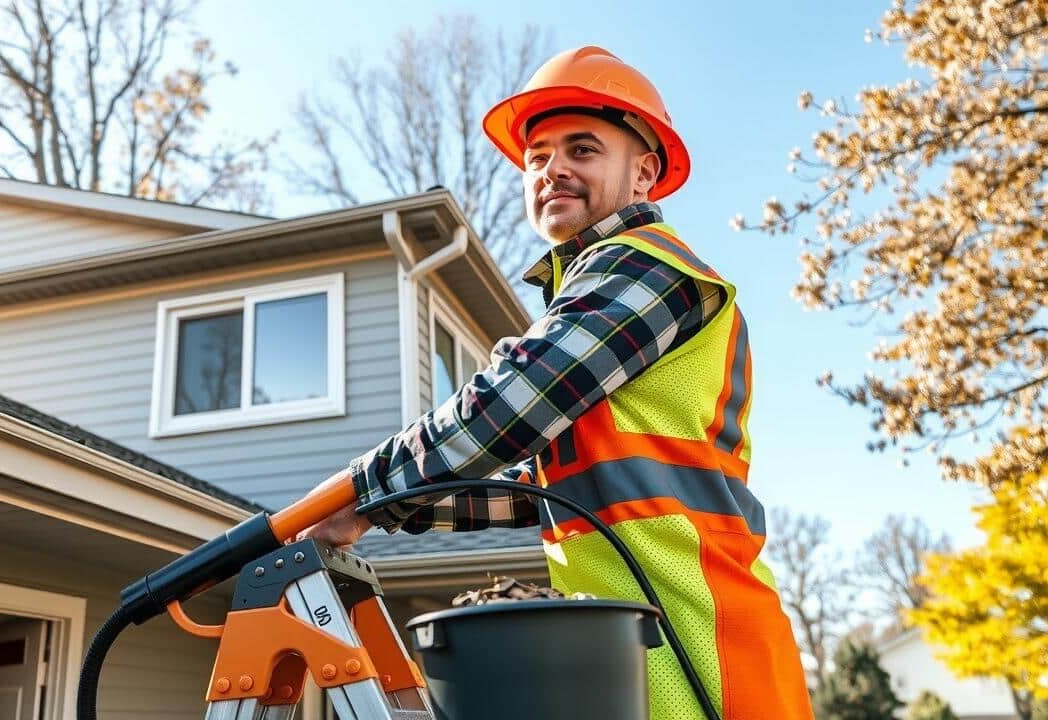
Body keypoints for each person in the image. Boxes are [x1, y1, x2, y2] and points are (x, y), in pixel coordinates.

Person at [295, 46, 813, 719]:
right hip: (644, 659)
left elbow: (503, 413)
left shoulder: (647, 268)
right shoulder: (595, 296)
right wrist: (374, 512)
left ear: (643, 175)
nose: (553, 169)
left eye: (583, 149)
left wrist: (357, 491)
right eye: (537, 157)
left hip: (710, 656)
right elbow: (548, 491)